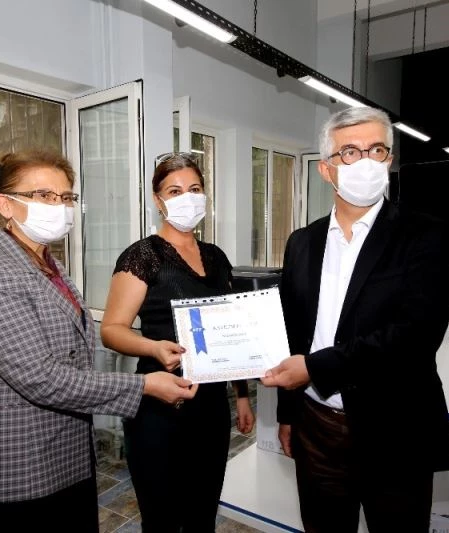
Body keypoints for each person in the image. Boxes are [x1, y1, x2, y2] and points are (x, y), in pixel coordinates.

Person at [0, 150, 197, 533]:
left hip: (66, 459)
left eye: (66, 197)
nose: (59, 206)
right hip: (18, 472)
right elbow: (41, 379)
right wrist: (144, 385)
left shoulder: (50, 266)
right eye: (43, 195)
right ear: (6, 205)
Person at [261, 107, 449, 533]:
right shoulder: (302, 242)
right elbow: (293, 333)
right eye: (350, 152)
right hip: (316, 425)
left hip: (395, 429)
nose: (365, 162)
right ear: (326, 169)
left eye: (376, 150)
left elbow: (416, 336)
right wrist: (287, 415)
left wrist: (313, 368)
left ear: (390, 160)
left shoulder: (424, 235)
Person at [100, 152, 255, 532]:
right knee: (163, 520)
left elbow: (231, 330)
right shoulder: (143, 256)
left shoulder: (216, 257)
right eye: (175, 190)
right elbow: (112, 329)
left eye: (195, 189)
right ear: (158, 200)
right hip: (159, 405)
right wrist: (153, 347)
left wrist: (242, 395)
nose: (188, 198)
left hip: (211, 407)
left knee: (203, 515)